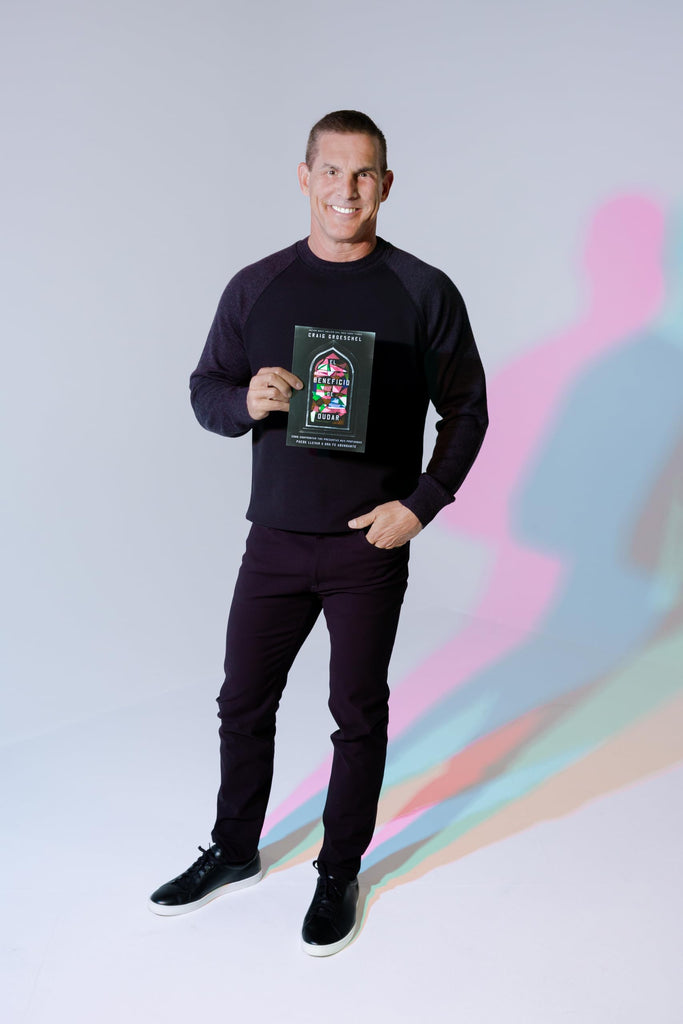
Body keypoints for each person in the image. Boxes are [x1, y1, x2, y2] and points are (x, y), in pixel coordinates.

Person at [148, 110, 488, 956]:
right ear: (304, 178)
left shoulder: (421, 289)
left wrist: (421, 504)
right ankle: (234, 849)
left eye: (363, 173)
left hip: (367, 545)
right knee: (241, 702)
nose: (347, 189)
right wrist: (243, 401)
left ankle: (339, 871)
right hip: (273, 539)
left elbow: (467, 410)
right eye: (331, 171)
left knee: (356, 714)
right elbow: (204, 388)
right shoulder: (256, 286)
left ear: (386, 185)